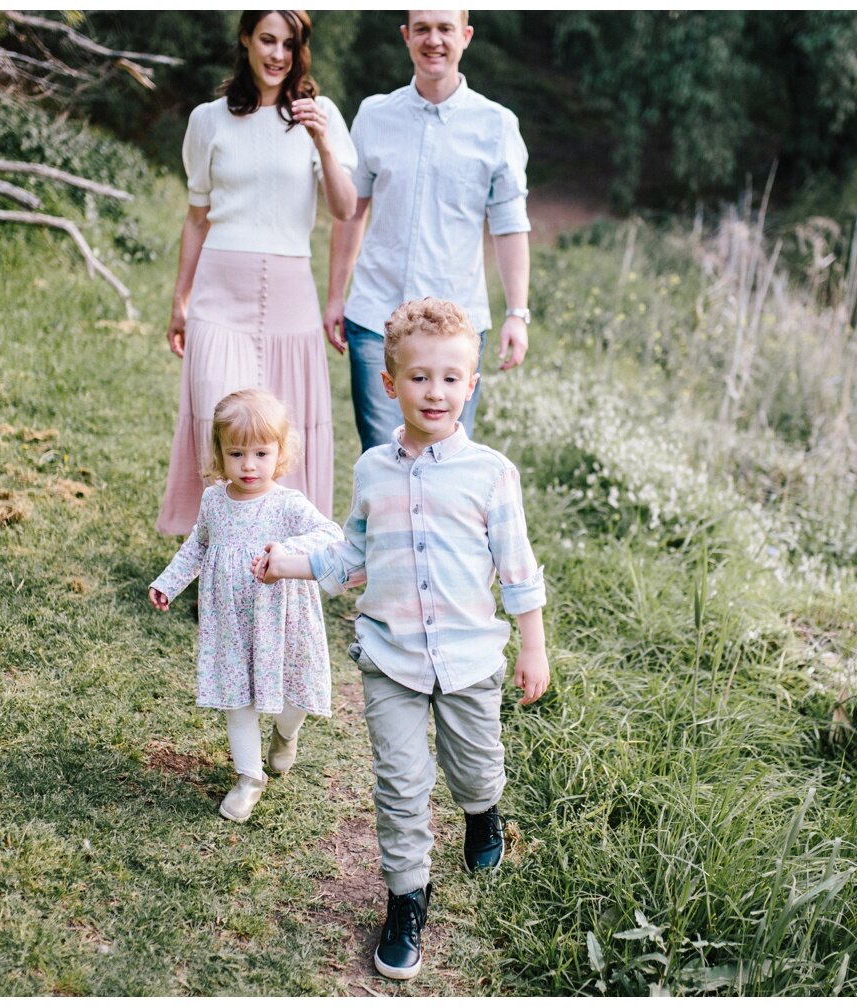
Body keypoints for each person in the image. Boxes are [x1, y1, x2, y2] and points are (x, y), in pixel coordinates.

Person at [254, 298, 549, 980]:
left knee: (473, 765)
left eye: (451, 378)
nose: (435, 391)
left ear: (471, 385)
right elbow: (350, 555)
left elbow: (518, 567)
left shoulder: (491, 475)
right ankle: (406, 895)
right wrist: (287, 561)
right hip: (391, 658)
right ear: (390, 384)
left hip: (472, 659)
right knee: (400, 781)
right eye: (419, 377)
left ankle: (483, 813)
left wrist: (532, 645)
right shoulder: (372, 473)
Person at [157, 10, 357, 536]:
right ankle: (218, 555)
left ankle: (283, 554)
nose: (277, 55)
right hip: (219, 292)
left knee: (280, 429)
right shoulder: (209, 119)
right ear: (245, 39)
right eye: (267, 40)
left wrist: (322, 144)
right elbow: (197, 217)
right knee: (221, 418)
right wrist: (180, 299)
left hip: (290, 293)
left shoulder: (322, 115)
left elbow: (344, 208)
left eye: (288, 45)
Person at [323, 9, 533, 453]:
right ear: (406, 36)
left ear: (466, 36)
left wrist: (518, 312)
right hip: (376, 314)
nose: (433, 40)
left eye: (444, 29)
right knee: (383, 455)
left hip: (457, 325)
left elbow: (510, 226)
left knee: (445, 458)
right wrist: (336, 295)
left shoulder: (497, 125)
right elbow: (351, 212)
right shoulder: (374, 115)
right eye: (422, 29)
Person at [150, 388, 343, 822]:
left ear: (280, 451)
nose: (249, 465)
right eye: (236, 453)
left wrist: (288, 549)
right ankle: (248, 777)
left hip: (282, 620)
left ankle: (285, 731)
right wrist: (169, 582)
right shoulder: (215, 500)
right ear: (219, 452)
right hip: (230, 624)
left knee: (296, 697)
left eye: (261, 453)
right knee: (238, 700)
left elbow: (331, 535)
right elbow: (197, 547)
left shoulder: (286, 504)